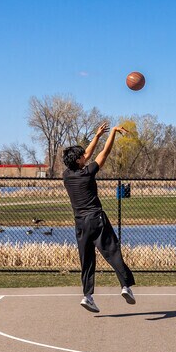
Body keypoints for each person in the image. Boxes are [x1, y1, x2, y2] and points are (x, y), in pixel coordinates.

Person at [62, 123, 136, 313]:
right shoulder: (88, 173)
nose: (85, 157)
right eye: (82, 157)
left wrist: (96, 136)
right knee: (112, 252)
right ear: (79, 161)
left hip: (80, 223)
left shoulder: (67, 175)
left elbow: (86, 154)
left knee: (86, 260)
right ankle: (125, 286)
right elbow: (105, 152)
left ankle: (87, 296)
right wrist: (111, 134)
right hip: (96, 219)